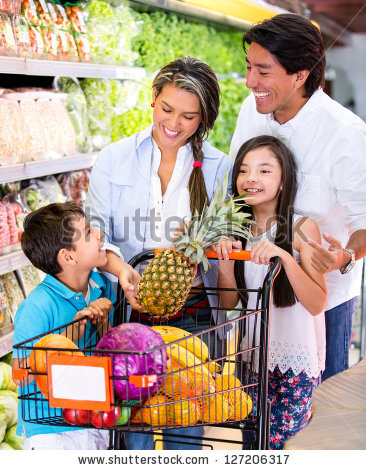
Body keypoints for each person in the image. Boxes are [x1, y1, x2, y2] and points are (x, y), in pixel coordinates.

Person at [86, 56, 232, 450]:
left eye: (189, 116)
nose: (174, 123)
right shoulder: (115, 157)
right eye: (167, 109)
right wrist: (122, 270)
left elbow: (229, 235)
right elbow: (94, 232)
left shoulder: (220, 166)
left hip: (195, 314)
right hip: (128, 312)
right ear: (153, 98)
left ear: (203, 118)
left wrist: (199, 247)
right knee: (133, 422)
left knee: (185, 421)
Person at [229, 14, 366, 381]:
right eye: (248, 68)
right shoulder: (250, 111)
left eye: (263, 71)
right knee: (254, 411)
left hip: (320, 302)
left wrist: (346, 256)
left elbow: (363, 220)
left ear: (300, 75)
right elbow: (237, 188)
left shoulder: (346, 134)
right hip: (258, 292)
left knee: (318, 411)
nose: (250, 82)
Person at [217, 135, 327, 449]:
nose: (251, 177)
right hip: (249, 358)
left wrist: (285, 258)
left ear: (283, 181)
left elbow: (317, 302)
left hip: (292, 363)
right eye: (243, 170)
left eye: (264, 170)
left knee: (284, 448)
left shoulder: (301, 227)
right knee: (253, 445)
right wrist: (225, 261)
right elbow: (229, 302)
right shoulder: (236, 228)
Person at [12, 202, 119, 450]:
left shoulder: (102, 287)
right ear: (68, 256)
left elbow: (108, 351)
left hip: (92, 417)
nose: (100, 235)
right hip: (50, 430)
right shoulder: (36, 307)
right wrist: (67, 337)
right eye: (89, 232)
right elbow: (20, 376)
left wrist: (103, 325)